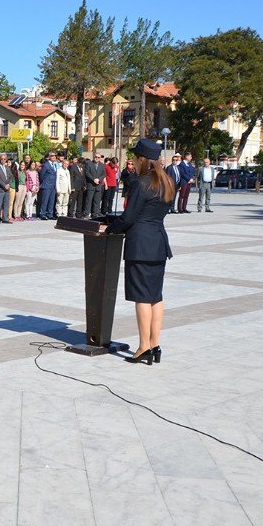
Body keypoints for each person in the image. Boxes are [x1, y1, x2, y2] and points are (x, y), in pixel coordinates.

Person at [105, 138, 175, 365]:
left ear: (143, 159)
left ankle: (144, 345)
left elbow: (129, 217)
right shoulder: (167, 181)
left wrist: (109, 229)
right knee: (156, 297)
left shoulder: (141, 183)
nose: (134, 161)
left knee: (142, 299)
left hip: (140, 246)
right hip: (158, 244)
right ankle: (155, 344)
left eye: (136, 157)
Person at [83, 153, 106, 219]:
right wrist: (93, 179)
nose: (97, 158)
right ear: (94, 157)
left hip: (98, 185)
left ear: (100, 158)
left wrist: (99, 179)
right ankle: (87, 213)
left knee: (97, 200)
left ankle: (95, 214)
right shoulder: (89, 163)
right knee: (89, 200)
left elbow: (104, 174)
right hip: (91, 185)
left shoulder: (102, 165)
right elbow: (87, 173)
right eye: (96, 157)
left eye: (98, 157)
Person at [0, 153, 12, 224]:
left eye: (5, 159)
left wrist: (9, 184)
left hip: (7, 189)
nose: (3, 160)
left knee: (6, 204)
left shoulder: (7, 167)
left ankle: (5, 218)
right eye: (2, 159)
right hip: (1, 189)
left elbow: (10, 176)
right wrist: (4, 185)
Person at [38, 153, 57, 219]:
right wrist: (44, 182)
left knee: (51, 201)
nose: (54, 157)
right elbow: (42, 175)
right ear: (49, 157)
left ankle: (50, 214)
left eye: (55, 155)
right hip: (46, 185)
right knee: (45, 201)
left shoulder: (55, 164)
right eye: (52, 156)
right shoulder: (46, 165)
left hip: (53, 186)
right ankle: (42, 214)